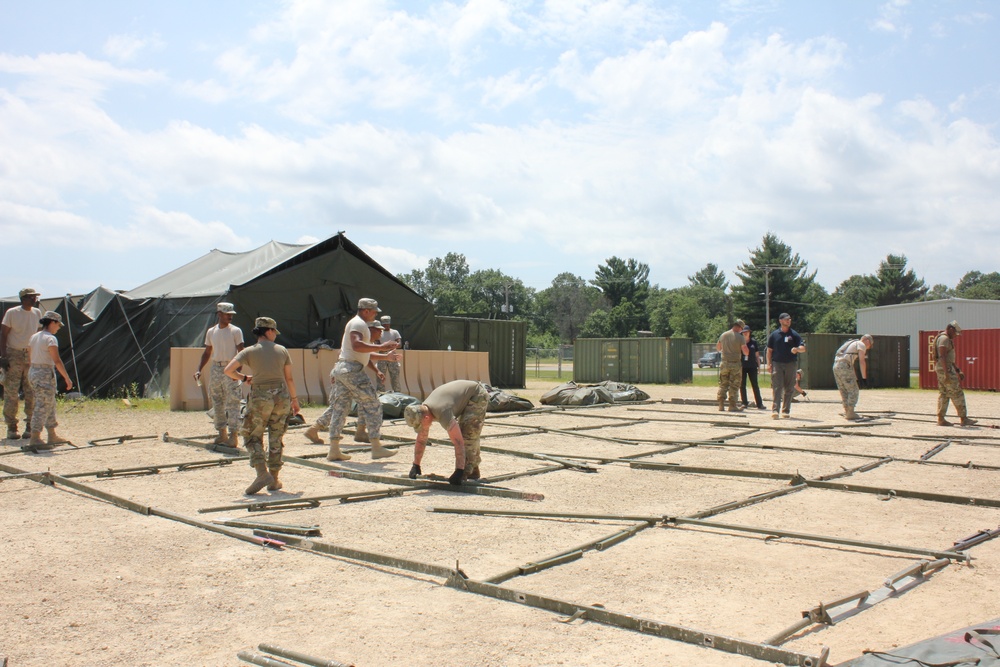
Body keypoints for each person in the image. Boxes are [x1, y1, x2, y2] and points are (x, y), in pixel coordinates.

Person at [224, 317, 300, 494]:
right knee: (276, 436)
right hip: (282, 396)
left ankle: (261, 473)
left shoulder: (250, 351)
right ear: (269, 331)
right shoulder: (282, 351)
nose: (275, 335)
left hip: (260, 396)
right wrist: (295, 400)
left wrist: (243, 378)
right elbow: (289, 378)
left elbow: (228, 370)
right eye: (274, 332)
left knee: (252, 435)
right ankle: (274, 479)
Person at [322, 298, 399, 461]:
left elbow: (362, 352)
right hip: (352, 369)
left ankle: (334, 449)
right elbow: (357, 345)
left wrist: (385, 356)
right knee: (374, 404)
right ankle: (376, 447)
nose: (376, 314)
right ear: (366, 310)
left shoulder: (356, 323)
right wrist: (382, 347)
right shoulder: (359, 324)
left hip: (343, 369)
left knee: (340, 408)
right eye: (374, 311)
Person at [305, 320, 399, 445]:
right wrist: (383, 352)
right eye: (379, 330)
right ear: (370, 329)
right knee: (364, 402)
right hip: (347, 374)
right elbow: (350, 355)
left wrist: (379, 368)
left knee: (345, 404)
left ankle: (316, 429)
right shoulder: (359, 341)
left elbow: (367, 356)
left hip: (345, 374)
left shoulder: (366, 342)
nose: (381, 332)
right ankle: (361, 433)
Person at [404, 380, 489, 485]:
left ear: (426, 418)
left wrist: (459, 470)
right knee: (465, 432)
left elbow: (459, 442)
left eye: (420, 425)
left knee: (468, 434)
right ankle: (472, 468)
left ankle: (468, 470)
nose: (421, 428)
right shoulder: (423, 410)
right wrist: (416, 465)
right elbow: (421, 439)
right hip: (461, 396)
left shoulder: (443, 412)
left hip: (477, 394)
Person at [195, 302, 245, 447]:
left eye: (231, 314)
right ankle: (221, 433)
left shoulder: (236, 331)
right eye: (227, 314)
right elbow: (207, 352)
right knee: (217, 401)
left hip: (230, 366)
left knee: (233, 402)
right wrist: (199, 369)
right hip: (216, 367)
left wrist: (237, 372)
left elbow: (241, 352)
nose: (230, 317)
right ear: (219, 314)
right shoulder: (211, 331)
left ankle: (234, 435)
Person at [26, 311, 73, 449]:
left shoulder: (34, 337)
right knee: (42, 405)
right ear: (52, 322)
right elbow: (57, 360)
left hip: (34, 370)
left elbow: (29, 356)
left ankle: (52, 434)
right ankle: (35, 436)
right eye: (58, 324)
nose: (58, 328)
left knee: (49, 402)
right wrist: (67, 378)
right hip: (44, 372)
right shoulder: (50, 339)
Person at [1, 288, 43, 440]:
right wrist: (4, 356)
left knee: (31, 390)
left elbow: (39, 334)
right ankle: (12, 427)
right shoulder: (12, 313)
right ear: (24, 298)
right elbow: (3, 334)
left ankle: (30, 425)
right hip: (14, 353)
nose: (34, 300)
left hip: (30, 354)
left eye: (35, 297)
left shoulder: (37, 313)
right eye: (32, 297)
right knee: (11, 391)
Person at [935, 321, 976, 427]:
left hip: (945, 369)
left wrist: (958, 370)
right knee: (957, 393)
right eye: (955, 333)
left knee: (944, 394)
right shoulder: (944, 339)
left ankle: (941, 419)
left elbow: (949, 359)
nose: (956, 336)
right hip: (946, 370)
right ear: (951, 329)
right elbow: (942, 357)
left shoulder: (945, 339)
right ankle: (964, 418)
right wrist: (947, 374)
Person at [766, 312, 806, 420]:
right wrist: (769, 364)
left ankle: (786, 411)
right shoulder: (774, 335)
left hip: (791, 364)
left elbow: (803, 348)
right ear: (781, 321)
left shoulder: (794, 335)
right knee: (777, 387)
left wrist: (797, 349)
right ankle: (775, 410)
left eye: (789, 319)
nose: (789, 321)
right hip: (777, 364)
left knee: (789, 388)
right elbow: (769, 351)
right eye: (786, 319)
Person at [833, 334, 873, 420]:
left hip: (836, 365)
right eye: (869, 345)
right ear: (867, 341)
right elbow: (862, 361)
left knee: (844, 390)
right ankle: (850, 412)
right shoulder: (861, 344)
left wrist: (856, 379)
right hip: (844, 366)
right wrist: (864, 378)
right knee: (854, 390)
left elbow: (851, 364)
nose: (867, 348)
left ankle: (847, 411)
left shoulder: (851, 343)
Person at [716, 319, 749, 412]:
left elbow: (718, 348)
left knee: (723, 383)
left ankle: (721, 404)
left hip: (724, 362)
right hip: (735, 363)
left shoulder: (724, 335)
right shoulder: (740, 337)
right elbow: (746, 352)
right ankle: (732, 405)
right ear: (739, 327)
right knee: (734, 384)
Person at [739, 326, 765, 410]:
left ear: (749, 332)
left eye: (746, 332)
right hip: (742, 366)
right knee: (742, 385)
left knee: (755, 385)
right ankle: (744, 403)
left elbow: (757, 356)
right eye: (743, 332)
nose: (745, 333)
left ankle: (759, 404)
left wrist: (759, 366)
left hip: (752, 366)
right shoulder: (740, 342)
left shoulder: (754, 342)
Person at [376, 315, 403, 392]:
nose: (386, 326)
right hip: (382, 355)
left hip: (393, 355)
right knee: (380, 376)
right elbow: (377, 344)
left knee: (395, 376)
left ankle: (397, 394)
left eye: (387, 324)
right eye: (384, 325)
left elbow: (399, 344)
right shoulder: (379, 332)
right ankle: (380, 394)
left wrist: (391, 346)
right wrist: (384, 347)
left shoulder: (394, 332)